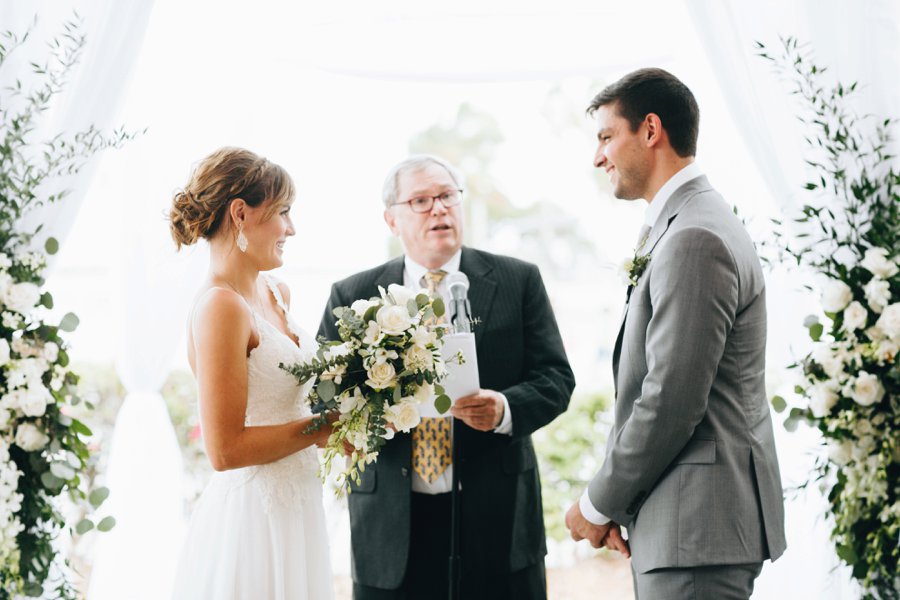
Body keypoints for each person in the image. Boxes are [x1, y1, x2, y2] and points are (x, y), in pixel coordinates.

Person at [564, 68, 787, 599]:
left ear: (650, 130)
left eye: (605, 136)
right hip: (689, 528)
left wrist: (597, 504)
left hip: (697, 531)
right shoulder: (689, 223)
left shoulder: (694, 237)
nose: (599, 158)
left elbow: (670, 399)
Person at [319, 155, 575, 600]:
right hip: (393, 521)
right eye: (420, 200)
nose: (438, 209)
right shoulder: (353, 295)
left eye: (447, 196)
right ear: (391, 218)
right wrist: (376, 417)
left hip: (497, 514)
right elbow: (324, 397)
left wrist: (505, 408)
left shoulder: (517, 280)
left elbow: (556, 378)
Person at [168, 147, 334, 600]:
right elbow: (224, 451)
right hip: (254, 520)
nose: (291, 229)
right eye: (283, 212)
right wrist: (325, 427)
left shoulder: (276, 292)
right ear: (241, 213)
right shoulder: (221, 307)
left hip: (298, 505)